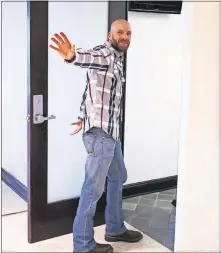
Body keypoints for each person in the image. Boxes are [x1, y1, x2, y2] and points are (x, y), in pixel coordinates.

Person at [49, 19, 143, 253]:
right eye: (120, 32)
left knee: (118, 176)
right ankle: (82, 244)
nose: (125, 37)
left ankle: (114, 228)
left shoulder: (119, 60)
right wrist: (72, 55)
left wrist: (84, 116)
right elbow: (89, 57)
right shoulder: (106, 54)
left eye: (128, 33)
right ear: (110, 36)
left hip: (109, 134)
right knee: (93, 189)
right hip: (101, 136)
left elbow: (91, 91)